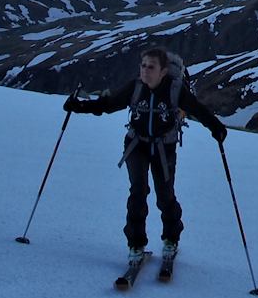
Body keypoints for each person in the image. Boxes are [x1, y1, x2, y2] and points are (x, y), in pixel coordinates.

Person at [64, 47, 227, 263]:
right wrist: (80, 106)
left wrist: (216, 127)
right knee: (138, 193)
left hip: (164, 147)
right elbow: (109, 104)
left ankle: (171, 239)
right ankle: (136, 244)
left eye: (151, 67)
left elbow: (198, 109)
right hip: (136, 145)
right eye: (143, 66)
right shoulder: (135, 87)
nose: (145, 71)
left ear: (163, 71)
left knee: (165, 195)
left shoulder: (175, 89)